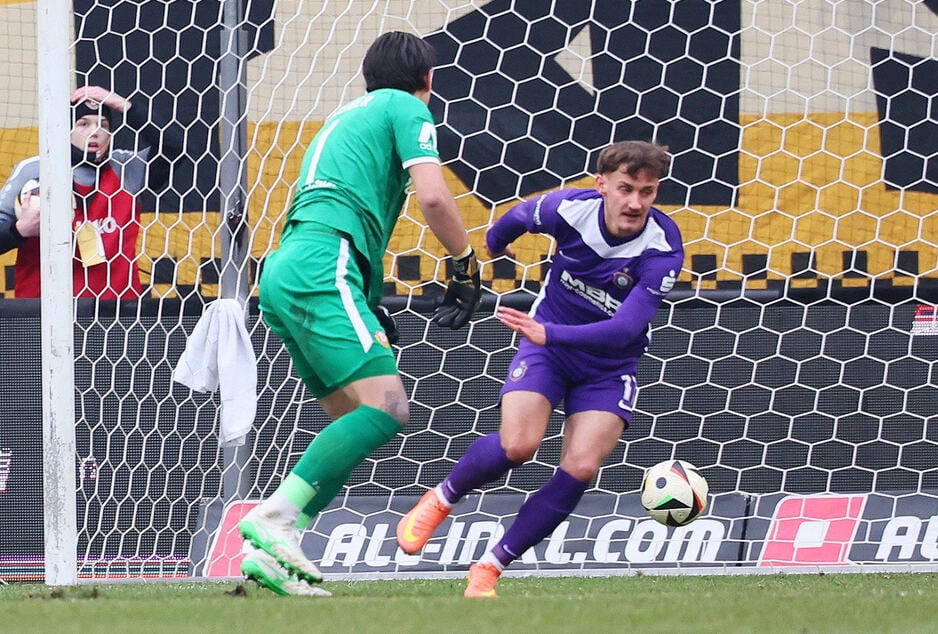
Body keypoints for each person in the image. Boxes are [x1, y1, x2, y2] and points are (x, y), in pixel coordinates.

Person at [237, 31, 482, 597]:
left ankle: (276, 548)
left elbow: (339, 202)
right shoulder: (406, 107)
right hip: (325, 263)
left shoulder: (344, 116)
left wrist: (367, 295)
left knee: (354, 415)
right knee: (389, 407)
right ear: (429, 81)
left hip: (287, 267)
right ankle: (274, 518)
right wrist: (466, 266)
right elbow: (435, 197)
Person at [397, 140, 684, 598]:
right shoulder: (567, 208)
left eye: (647, 192)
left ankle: (488, 568)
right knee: (519, 445)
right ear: (601, 184)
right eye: (626, 188)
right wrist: (494, 247)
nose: (635, 203)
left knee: (582, 465)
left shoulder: (663, 247)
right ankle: (440, 500)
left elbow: (624, 328)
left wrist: (549, 333)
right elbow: (514, 218)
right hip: (546, 350)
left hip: (606, 364)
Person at [0, 85, 161, 299]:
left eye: (102, 125)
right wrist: (20, 230)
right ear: (64, 130)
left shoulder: (125, 167)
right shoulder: (34, 171)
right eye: (83, 124)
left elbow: (176, 145)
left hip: (116, 313)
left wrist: (123, 105)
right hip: (45, 312)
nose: (94, 132)